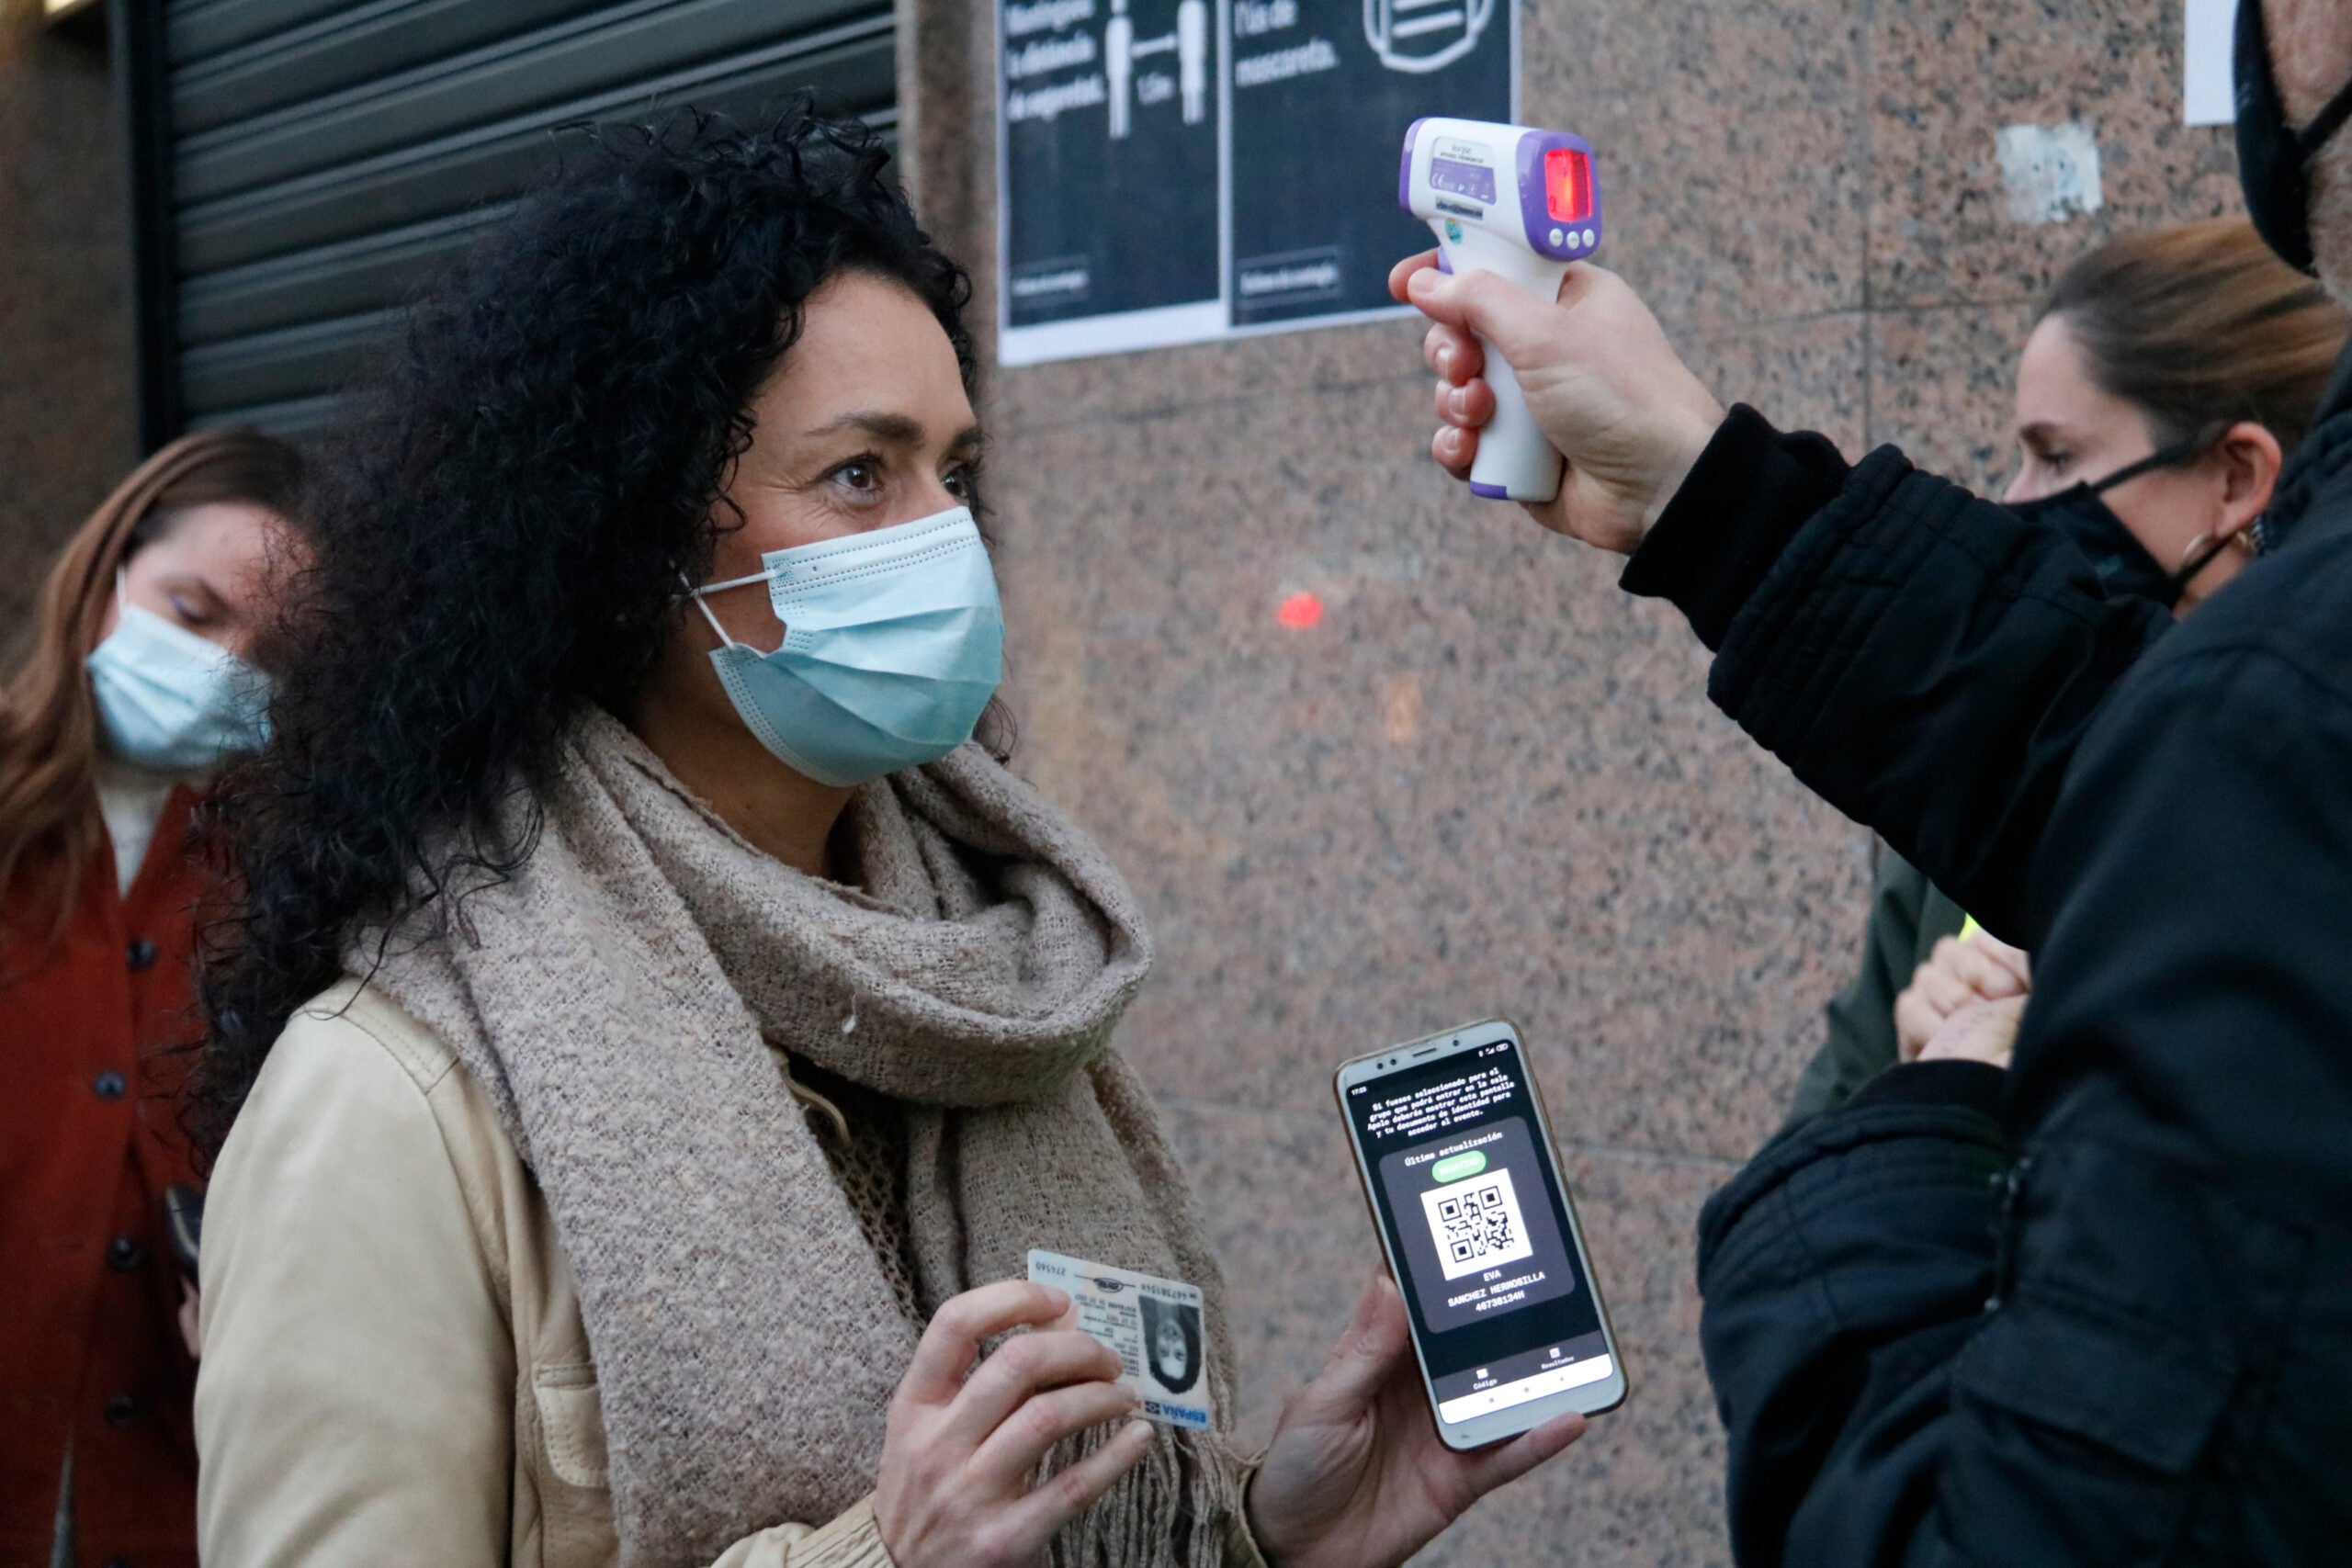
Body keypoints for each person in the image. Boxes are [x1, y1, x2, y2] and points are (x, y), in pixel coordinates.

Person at [187, 109, 1577, 1568]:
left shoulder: (993, 978)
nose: (944, 538)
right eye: (863, 473)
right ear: (624, 542)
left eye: (955, 473)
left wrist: (1269, 1536)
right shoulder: (389, 1098)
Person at [1387, 0, 2352, 1557]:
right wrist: (1714, 494)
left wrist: (1961, 1108)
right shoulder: (2196, 761)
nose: (2016, 499)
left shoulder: (2271, 723)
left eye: (2055, 451)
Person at [1789, 219, 2347, 1128]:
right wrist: (1924, 1083)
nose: (2009, 501)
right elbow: (1802, 1200)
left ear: (2236, 478)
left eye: (2055, 456)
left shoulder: (2312, 813)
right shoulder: (1979, 801)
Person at [0, 430, 305, 1568]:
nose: (227, 666)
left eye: (271, 654)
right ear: (104, 581)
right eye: (195, 610)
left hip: (179, 1497)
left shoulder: (282, 892)